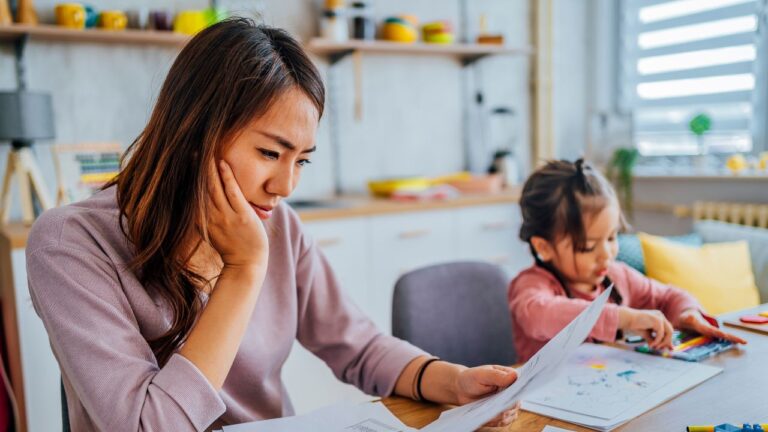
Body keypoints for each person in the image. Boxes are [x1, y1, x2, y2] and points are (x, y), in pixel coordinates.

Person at [25, 18, 520, 431]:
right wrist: (243, 270)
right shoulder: (71, 245)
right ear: (195, 134)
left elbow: (360, 345)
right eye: (269, 152)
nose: (285, 185)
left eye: (301, 160)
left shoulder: (279, 225)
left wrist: (453, 382)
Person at [507, 159, 747, 362]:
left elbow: (669, 296)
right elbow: (539, 315)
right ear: (543, 247)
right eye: (587, 247)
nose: (607, 254)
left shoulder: (618, 276)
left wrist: (687, 314)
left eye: (612, 237)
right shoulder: (530, 286)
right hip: (542, 407)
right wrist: (626, 318)